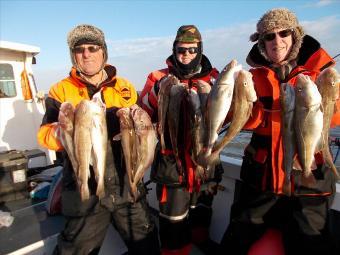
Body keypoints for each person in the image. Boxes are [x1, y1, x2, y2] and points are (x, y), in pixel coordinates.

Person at [219, 8, 338, 255]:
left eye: (283, 33)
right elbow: (245, 122)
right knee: (235, 240)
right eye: (269, 36)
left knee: (312, 243)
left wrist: (327, 97)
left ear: (295, 36)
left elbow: (335, 117)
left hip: (310, 184)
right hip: (262, 180)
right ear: (262, 43)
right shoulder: (252, 77)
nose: (277, 41)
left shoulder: (322, 72)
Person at [37, 24, 160, 255]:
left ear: (103, 52)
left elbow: (137, 133)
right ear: (73, 55)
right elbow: (45, 136)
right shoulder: (60, 91)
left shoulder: (124, 87)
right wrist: (67, 129)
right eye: (79, 49)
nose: (86, 54)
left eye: (93, 48)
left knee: (148, 246)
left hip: (126, 183)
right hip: (84, 188)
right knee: (73, 250)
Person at [139, 25, 222, 255]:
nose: (186, 54)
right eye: (181, 49)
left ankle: (200, 241)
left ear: (200, 50)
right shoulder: (157, 77)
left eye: (192, 50)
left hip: (205, 160)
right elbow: (143, 111)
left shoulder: (215, 77)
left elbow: (230, 117)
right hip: (171, 164)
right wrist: (157, 91)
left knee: (202, 210)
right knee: (173, 220)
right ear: (174, 50)